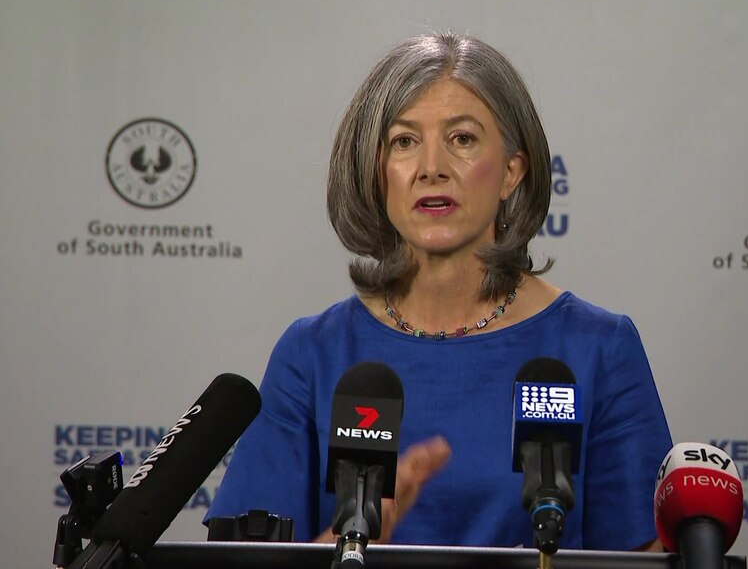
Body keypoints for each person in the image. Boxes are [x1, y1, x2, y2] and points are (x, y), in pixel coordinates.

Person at [207, 32, 672, 551]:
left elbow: (643, 558)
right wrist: (356, 542)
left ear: (512, 172)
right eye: (405, 141)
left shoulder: (598, 349)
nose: (432, 167)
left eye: (463, 139)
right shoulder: (314, 354)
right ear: (376, 170)